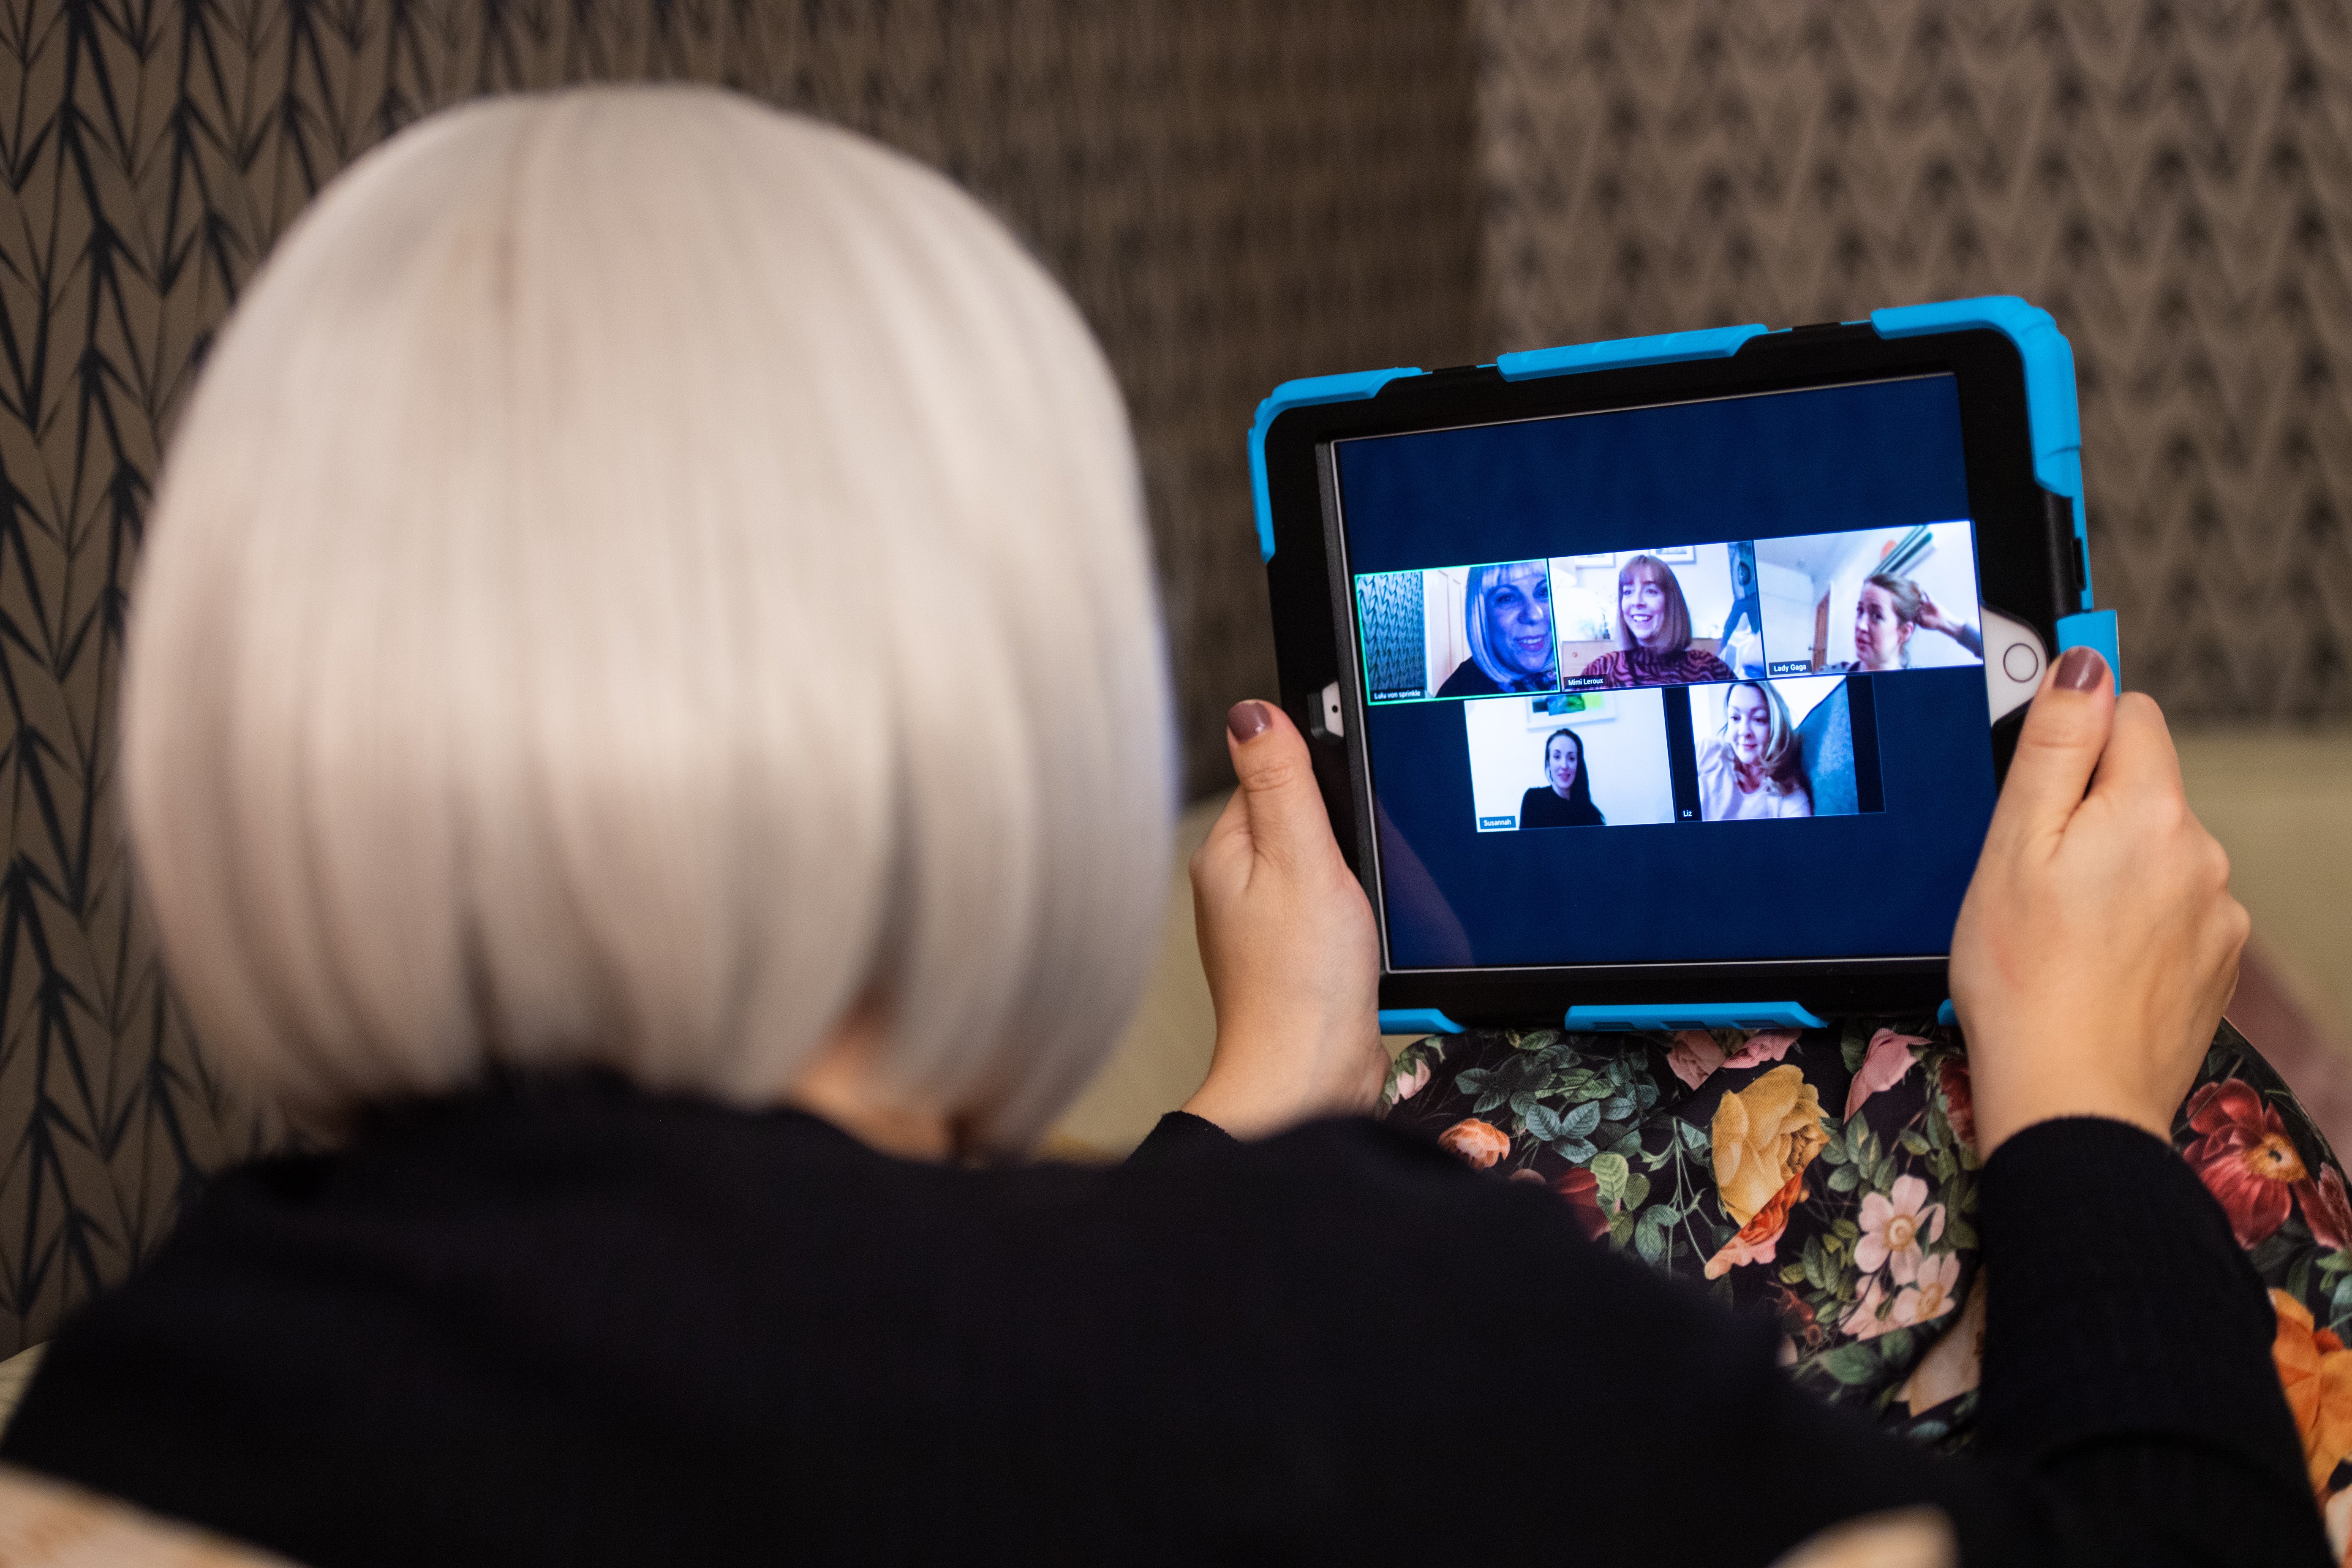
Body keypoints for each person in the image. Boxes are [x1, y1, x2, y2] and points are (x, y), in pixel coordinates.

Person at [0, 86, 2323, 1568]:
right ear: (1000, 706)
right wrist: (2084, 1125)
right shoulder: (1378, 1343)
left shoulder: (137, 1400)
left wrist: (1240, 1105)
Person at [1579, 553, 1737, 688]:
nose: (1636, 602)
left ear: (1671, 603)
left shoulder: (1710, 668)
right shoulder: (1600, 670)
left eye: (1651, 591)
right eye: (1628, 592)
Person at [1433, 559, 1557, 696]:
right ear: (1481, 615)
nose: (1534, 615)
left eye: (1543, 592)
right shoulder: (1459, 690)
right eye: (1508, 598)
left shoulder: (1578, 666)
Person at [1697, 679, 1813, 821]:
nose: (1744, 731)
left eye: (1759, 719)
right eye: (1735, 717)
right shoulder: (1704, 752)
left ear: (1775, 726)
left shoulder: (1789, 796)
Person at [1848, 571, 1984, 671]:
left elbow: (1999, 655)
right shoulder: (1835, 677)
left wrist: (1948, 624)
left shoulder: (1920, 685)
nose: (1861, 626)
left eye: (1877, 616)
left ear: (1904, 633)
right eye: (1860, 611)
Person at [1518, 727, 1604, 828]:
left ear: (1579, 765)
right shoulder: (1533, 800)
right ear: (1548, 763)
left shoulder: (1592, 815)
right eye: (1557, 757)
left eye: (1571, 758)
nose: (1564, 765)